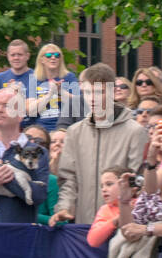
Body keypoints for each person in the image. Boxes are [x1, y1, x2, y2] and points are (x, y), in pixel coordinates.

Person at [50, 64, 150, 225]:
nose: (93, 98)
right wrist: (65, 208)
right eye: (88, 92)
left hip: (121, 226)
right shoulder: (74, 132)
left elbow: (137, 182)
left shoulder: (135, 132)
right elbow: (68, 179)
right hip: (83, 225)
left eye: (99, 92)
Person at [0, 85, 48, 223]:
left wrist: (7, 177)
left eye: (6, 105)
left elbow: (38, 196)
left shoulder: (37, 152)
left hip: (21, 235)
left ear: (21, 115)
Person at [28, 42, 80, 131]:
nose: (53, 58)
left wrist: (60, 92)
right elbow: (31, 111)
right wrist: (50, 94)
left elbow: (78, 105)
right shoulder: (34, 80)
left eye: (57, 55)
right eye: (48, 55)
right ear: (42, 60)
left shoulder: (69, 77)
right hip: (41, 129)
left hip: (65, 128)